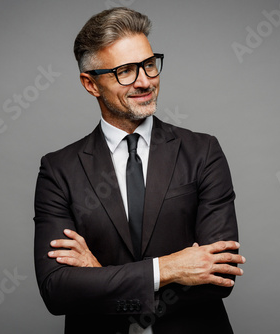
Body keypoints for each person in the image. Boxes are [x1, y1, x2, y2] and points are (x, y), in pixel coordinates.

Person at [34, 7, 245, 334]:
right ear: (91, 84)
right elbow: (57, 291)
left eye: (148, 64)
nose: (145, 81)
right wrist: (169, 268)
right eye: (126, 71)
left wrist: (98, 274)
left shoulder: (202, 152)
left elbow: (220, 279)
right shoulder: (58, 170)